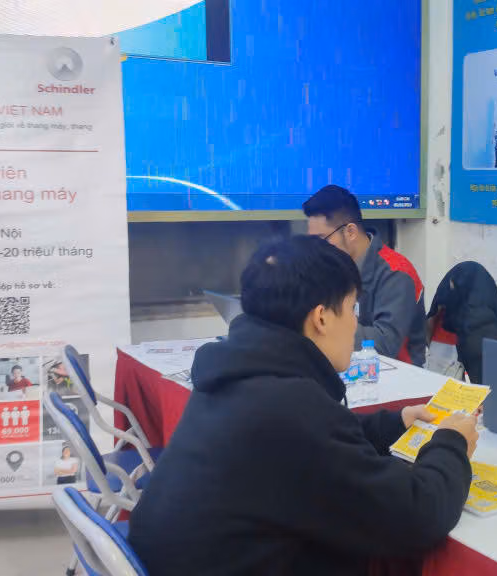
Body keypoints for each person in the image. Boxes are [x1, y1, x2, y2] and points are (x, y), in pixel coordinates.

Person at [129, 236, 477, 576]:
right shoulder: (291, 409)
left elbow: (319, 439)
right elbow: (417, 516)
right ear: (321, 318)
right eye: (352, 309)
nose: (355, 324)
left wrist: (394, 424)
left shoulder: (238, 374)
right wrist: (452, 443)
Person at [303, 185, 428, 366]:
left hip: (394, 373)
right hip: (348, 366)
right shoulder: (330, 266)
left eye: (322, 239)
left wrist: (324, 324)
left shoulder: (396, 272)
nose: (317, 249)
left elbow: (385, 344)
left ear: (350, 232)